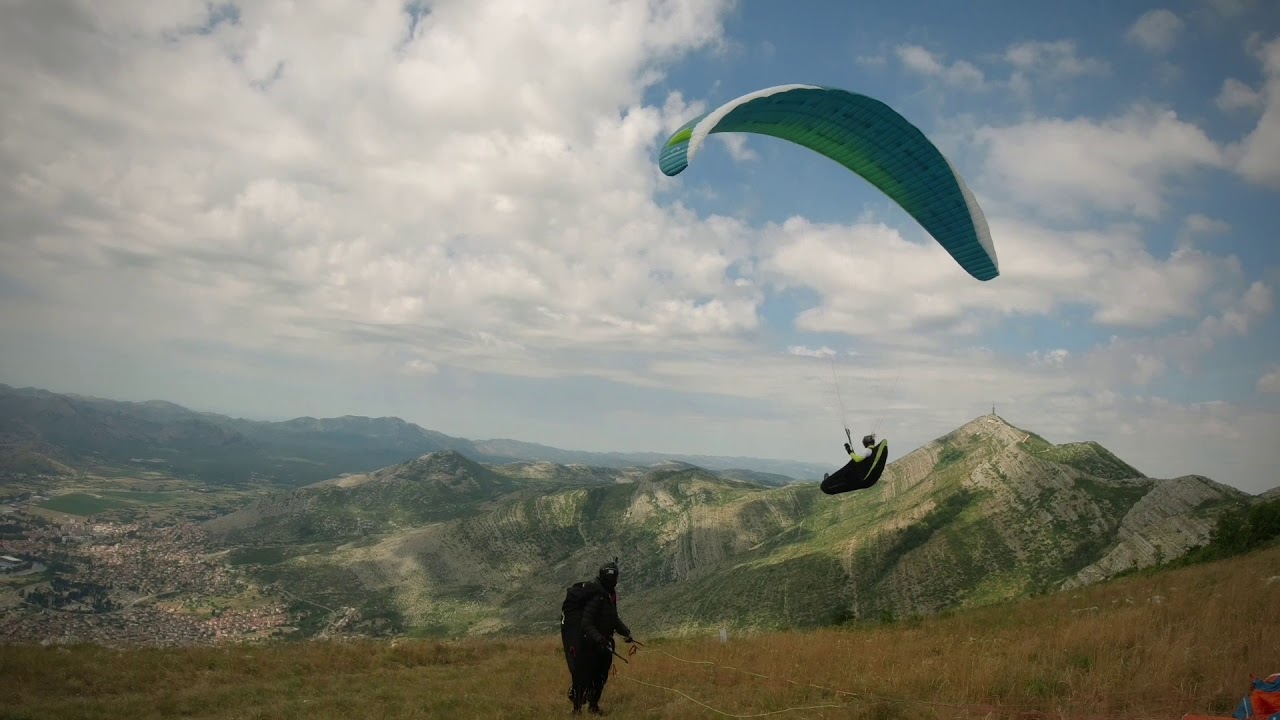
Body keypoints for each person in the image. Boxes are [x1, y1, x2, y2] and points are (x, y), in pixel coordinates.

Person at [568, 560, 634, 715]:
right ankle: (576, 710)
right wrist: (599, 638)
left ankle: (593, 706)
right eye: (612, 578)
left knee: (601, 677)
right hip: (589, 644)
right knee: (585, 676)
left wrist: (626, 632)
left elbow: (613, 618)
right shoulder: (596, 595)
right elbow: (586, 623)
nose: (614, 581)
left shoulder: (610, 595)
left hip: (605, 644)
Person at [820, 433, 889, 495]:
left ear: (865, 443)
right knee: (845, 485)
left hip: (860, 477)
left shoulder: (868, 450)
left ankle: (828, 483)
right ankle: (829, 483)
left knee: (848, 469)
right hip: (868, 481)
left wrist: (849, 451)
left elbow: (857, 459)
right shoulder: (874, 452)